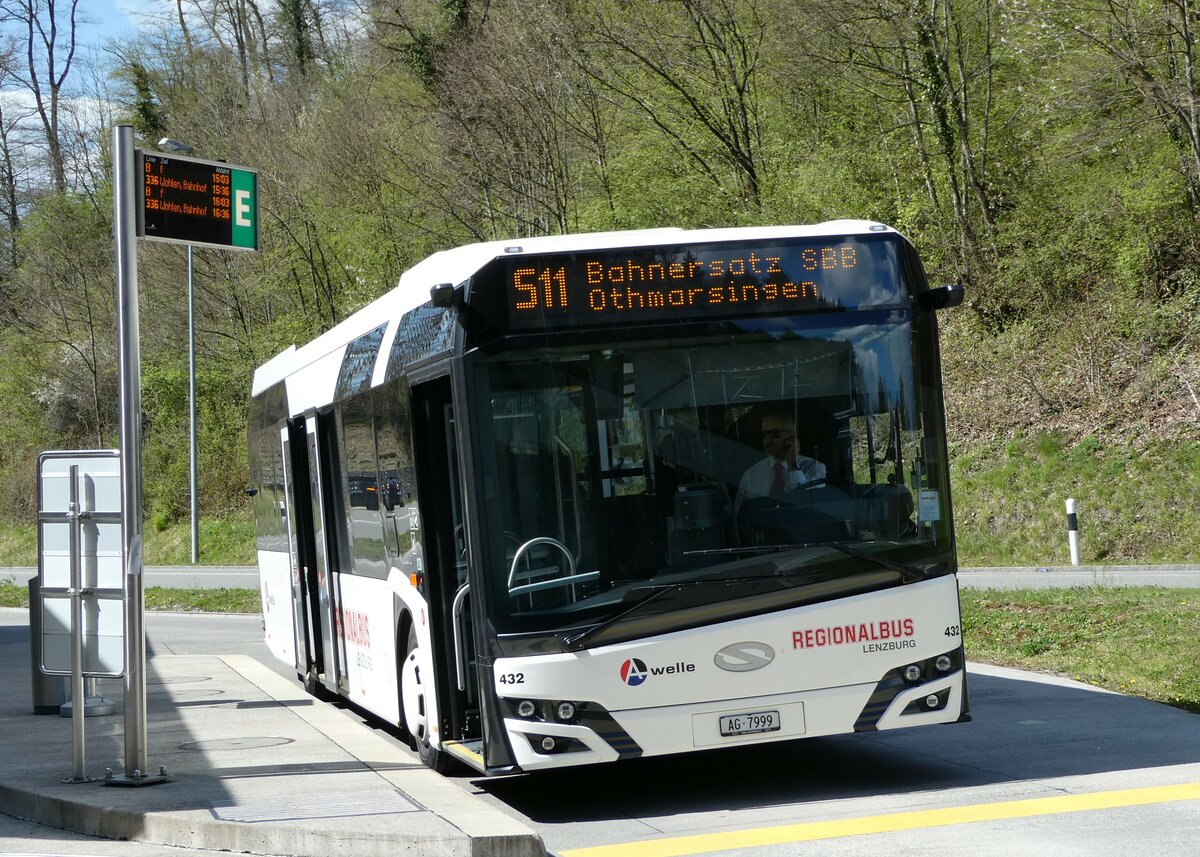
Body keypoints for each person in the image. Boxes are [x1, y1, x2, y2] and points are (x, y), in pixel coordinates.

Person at [734, 408, 826, 518]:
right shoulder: (751, 475)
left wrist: (792, 465)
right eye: (764, 435)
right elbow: (740, 517)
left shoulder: (814, 469)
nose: (767, 440)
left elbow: (811, 511)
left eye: (774, 434)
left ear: (791, 436)